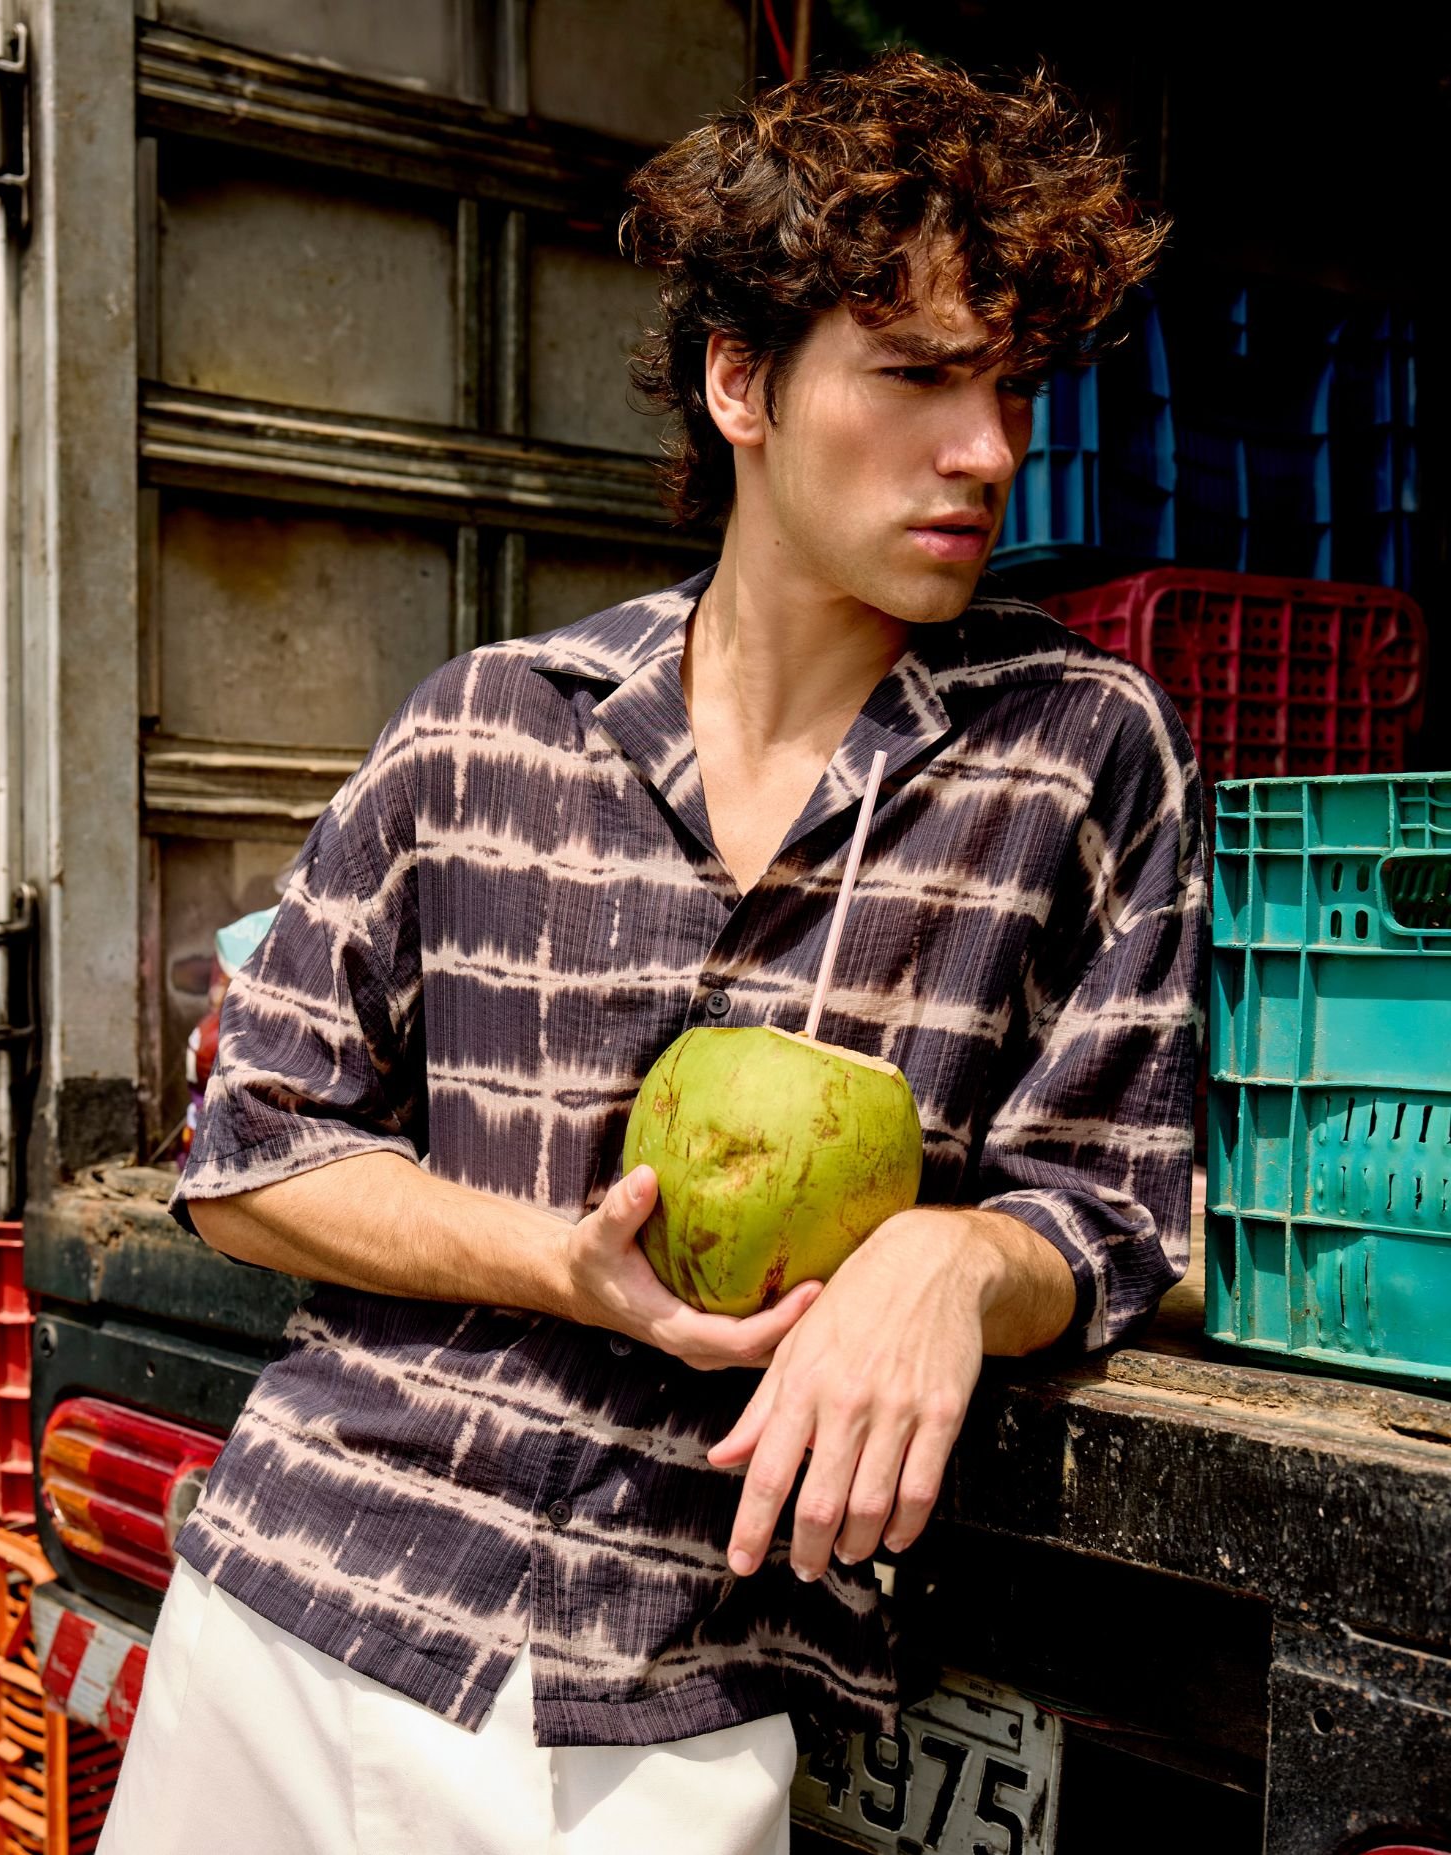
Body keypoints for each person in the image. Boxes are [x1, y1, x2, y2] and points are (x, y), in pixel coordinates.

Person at [98, 50, 1201, 1855]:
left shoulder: (1079, 753)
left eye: (1009, 387)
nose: (990, 448)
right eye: (920, 377)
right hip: (299, 1596)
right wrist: (559, 1263)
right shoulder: (487, 728)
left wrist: (950, 1254)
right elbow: (250, 1156)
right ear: (740, 382)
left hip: (663, 1686)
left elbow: (1112, 1205)